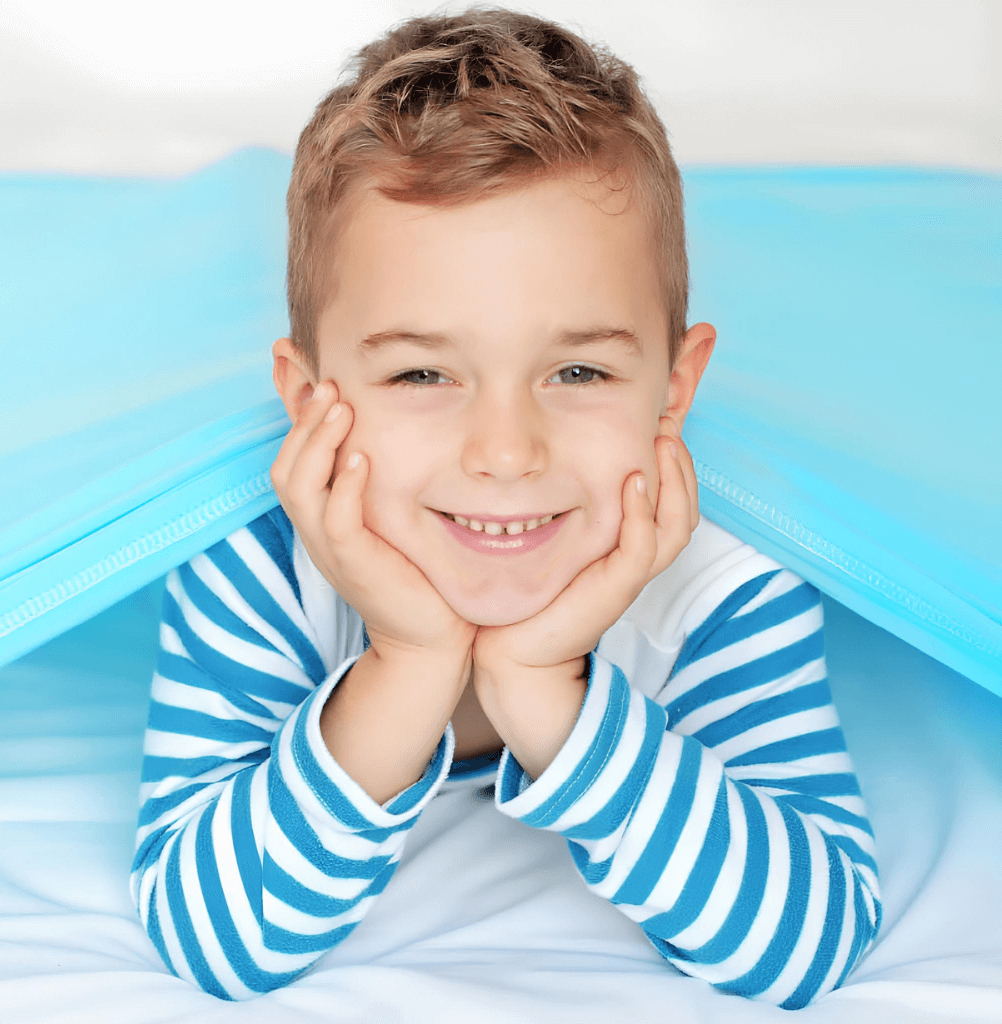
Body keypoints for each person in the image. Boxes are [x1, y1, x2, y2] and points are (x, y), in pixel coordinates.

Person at [130, 6, 881, 1008]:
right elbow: (212, 942)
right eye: (421, 373)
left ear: (674, 383)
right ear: (311, 402)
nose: (504, 452)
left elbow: (806, 945)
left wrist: (543, 684)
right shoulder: (257, 563)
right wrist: (409, 664)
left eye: (576, 369)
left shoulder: (716, 574)